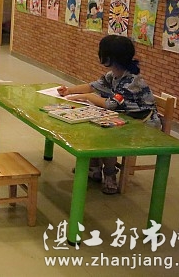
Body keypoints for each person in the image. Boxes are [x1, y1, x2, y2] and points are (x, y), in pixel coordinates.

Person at [57, 35, 160, 195]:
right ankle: (94, 168)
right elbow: (93, 86)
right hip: (127, 116)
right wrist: (69, 90)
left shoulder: (131, 82)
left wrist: (86, 97)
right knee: (92, 126)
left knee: (106, 134)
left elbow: (110, 104)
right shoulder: (113, 75)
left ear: (109, 57)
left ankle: (110, 174)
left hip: (143, 124)